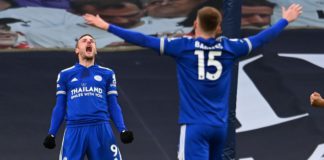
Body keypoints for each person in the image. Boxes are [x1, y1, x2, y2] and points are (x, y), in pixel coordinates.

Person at [83, 3, 301, 160]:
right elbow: (261, 38)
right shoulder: (230, 48)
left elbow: (144, 40)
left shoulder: (183, 48)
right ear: (219, 28)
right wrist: (285, 20)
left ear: (195, 24)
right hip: (220, 127)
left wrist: (106, 26)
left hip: (195, 126)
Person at [42, 34, 134, 160]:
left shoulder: (107, 73)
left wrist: (122, 129)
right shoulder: (65, 74)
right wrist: (51, 133)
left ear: (95, 50)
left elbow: (113, 104)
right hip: (74, 130)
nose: (89, 42)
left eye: (92, 41)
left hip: (101, 128)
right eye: (84, 41)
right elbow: (60, 106)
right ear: (77, 49)